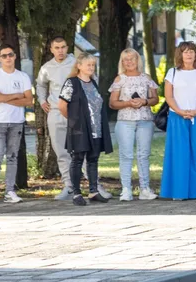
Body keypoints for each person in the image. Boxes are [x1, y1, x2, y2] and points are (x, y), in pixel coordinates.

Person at [161, 42, 196, 200]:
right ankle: (179, 191)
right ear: (180, 54)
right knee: (180, 154)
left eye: (191, 51)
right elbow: (168, 96)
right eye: (185, 52)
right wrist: (180, 111)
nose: (188, 54)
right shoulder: (172, 73)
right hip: (177, 118)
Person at [57, 53, 113, 206]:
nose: (91, 67)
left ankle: (94, 191)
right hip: (79, 129)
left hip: (96, 128)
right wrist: (74, 121)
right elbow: (62, 105)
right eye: (88, 64)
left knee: (93, 159)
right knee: (77, 159)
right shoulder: (72, 82)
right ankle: (76, 193)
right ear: (79, 66)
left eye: (93, 65)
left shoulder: (93, 83)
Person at [108, 48, 160, 201]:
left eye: (132, 58)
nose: (129, 62)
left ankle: (145, 189)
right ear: (122, 62)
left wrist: (144, 101)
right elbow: (112, 103)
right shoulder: (119, 79)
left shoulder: (146, 78)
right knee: (126, 155)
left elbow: (155, 99)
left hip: (145, 120)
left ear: (138, 60)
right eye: (126, 59)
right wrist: (128, 103)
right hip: (125, 121)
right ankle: (126, 189)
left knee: (143, 155)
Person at [0, 43, 33, 205]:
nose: (8, 58)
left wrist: (5, 97)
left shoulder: (23, 77)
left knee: (12, 157)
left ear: (15, 56)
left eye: (10, 55)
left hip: (16, 122)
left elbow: (28, 100)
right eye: (4, 56)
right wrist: (15, 96)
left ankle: (9, 191)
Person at [35, 37, 77, 200]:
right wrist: (42, 100)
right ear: (51, 49)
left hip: (75, 110)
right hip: (55, 111)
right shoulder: (47, 68)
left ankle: (93, 185)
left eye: (63, 47)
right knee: (60, 150)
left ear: (67, 47)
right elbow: (40, 85)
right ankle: (69, 186)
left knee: (82, 148)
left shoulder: (76, 63)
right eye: (57, 47)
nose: (60, 50)